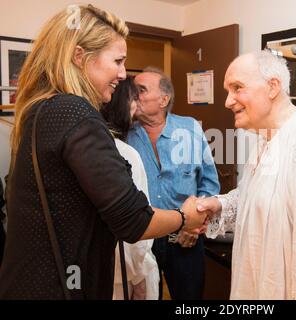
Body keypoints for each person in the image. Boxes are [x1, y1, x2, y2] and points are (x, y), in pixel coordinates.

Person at [0, 5, 206, 299]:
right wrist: (184, 218)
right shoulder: (74, 112)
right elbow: (134, 220)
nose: (123, 74)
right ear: (80, 56)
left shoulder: (40, 109)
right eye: (118, 61)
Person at [197, 50, 296, 300]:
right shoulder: (267, 138)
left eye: (237, 88)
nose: (228, 101)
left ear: (272, 87)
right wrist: (219, 204)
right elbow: (261, 196)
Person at [128, 67, 220, 300]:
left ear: (163, 99)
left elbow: (209, 184)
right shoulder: (123, 133)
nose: (133, 96)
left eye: (141, 90)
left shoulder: (189, 128)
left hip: (184, 238)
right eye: (132, 90)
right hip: (141, 240)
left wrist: (195, 226)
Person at [101, 76, 159, 300]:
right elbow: (136, 224)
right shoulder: (125, 154)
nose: (137, 105)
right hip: (124, 272)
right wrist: (138, 277)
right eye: (133, 99)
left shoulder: (90, 146)